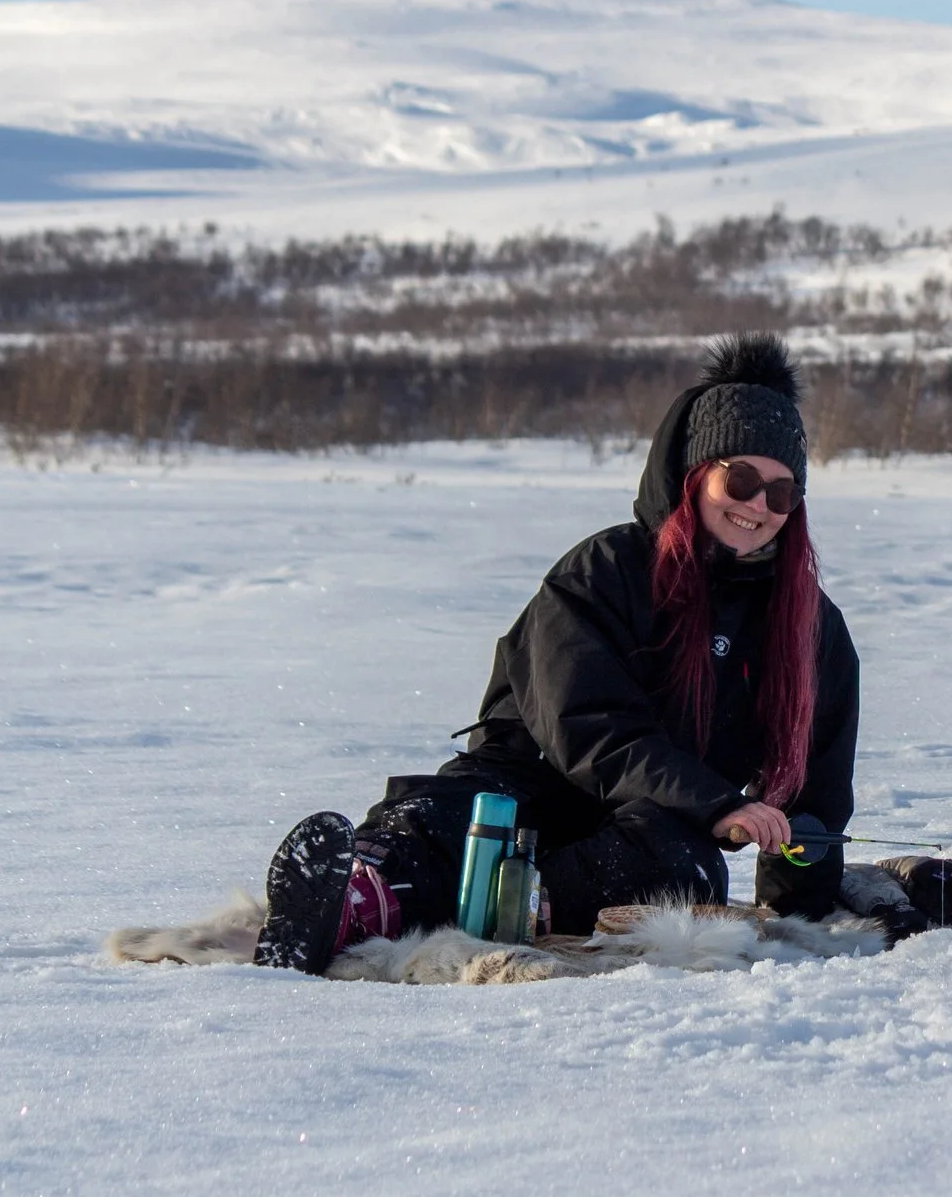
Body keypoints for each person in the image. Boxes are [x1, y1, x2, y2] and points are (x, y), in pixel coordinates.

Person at [252, 335, 871, 973]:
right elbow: (589, 726)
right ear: (695, 474)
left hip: (652, 826)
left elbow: (816, 785)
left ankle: (527, 909)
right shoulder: (604, 571)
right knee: (449, 817)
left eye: (781, 492)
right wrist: (718, 802)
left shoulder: (809, 625)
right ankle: (350, 901)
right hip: (526, 788)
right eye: (740, 479)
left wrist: (798, 907)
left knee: (683, 867)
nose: (758, 506)